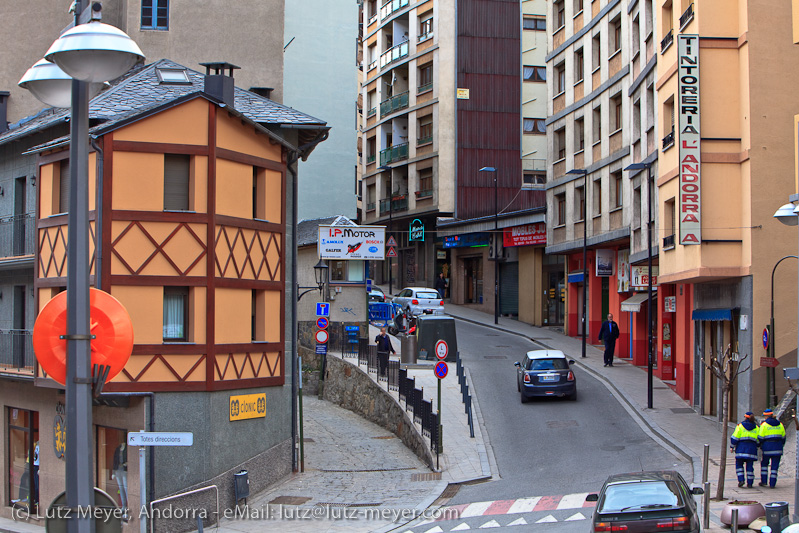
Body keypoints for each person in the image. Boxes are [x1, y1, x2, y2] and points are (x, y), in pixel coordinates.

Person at [758, 408, 786, 488]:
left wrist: (761, 445)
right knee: (774, 467)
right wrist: (780, 446)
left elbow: (760, 437)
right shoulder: (780, 424)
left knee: (764, 465)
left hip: (767, 448)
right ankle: (773, 483)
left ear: (766, 416)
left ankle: (764, 481)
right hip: (778, 448)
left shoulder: (764, 425)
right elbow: (783, 437)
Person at [730, 412, 759, 488]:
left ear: (745, 417)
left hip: (741, 449)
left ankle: (741, 480)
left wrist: (732, 446)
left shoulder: (740, 426)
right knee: (750, 467)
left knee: (739, 465)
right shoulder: (756, 427)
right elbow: (759, 440)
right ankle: (750, 483)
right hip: (751, 450)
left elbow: (734, 438)